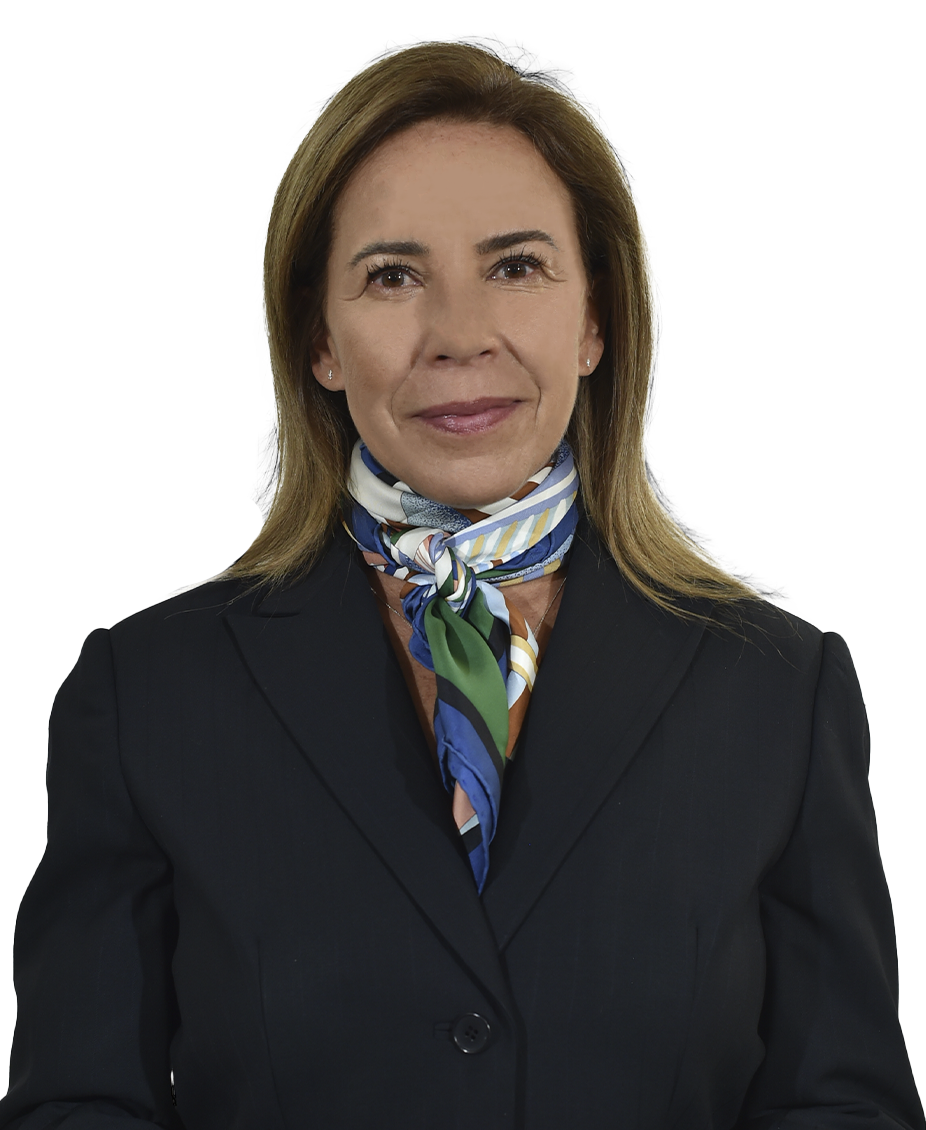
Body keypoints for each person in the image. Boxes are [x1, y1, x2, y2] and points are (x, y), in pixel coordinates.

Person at [0, 40, 922, 1130]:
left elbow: (843, 1107)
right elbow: (76, 1107)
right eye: (392, 275)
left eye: (516, 266)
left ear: (595, 320)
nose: (458, 337)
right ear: (319, 340)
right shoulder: (148, 691)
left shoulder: (776, 687)